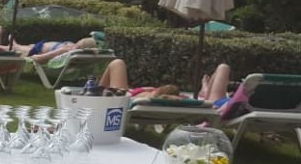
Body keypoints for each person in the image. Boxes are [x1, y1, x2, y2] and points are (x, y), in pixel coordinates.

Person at [98, 58, 233, 105]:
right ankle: (204, 88)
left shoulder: (150, 97)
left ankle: (93, 96)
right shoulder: (183, 99)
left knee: (117, 63)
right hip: (132, 94)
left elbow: (165, 96)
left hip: (122, 97)